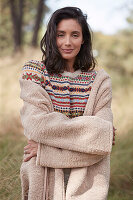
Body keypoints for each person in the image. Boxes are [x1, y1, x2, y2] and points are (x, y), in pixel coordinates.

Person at [19, 7, 116, 200]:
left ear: (84, 39)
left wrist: (45, 151)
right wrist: (89, 134)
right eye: (60, 34)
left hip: (88, 181)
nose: (67, 42)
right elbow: (37, 125)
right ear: (51, 37)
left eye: (75, 35)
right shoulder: (35, 72)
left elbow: (102, 144)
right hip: (43, 177)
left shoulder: (99, 81)